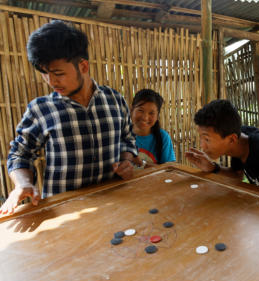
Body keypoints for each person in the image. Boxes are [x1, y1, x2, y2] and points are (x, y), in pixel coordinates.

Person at [1, 20, 137, 215]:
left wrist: (127, 161)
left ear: (83, 66)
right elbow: (19, 154)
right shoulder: (41, 109)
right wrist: (23, 184)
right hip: (63, 214)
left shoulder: (114, 100)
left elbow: (127, 139)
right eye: (44, 74)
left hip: (113, 206)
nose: (51, 81)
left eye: (58, 73)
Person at [130, 89, 176, 165]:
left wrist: (143, 164)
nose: (145, 117)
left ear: (157, 116)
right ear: (132, 110)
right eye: (140, 110)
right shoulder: (122, 135)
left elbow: (169, 169)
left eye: (151, 113)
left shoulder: (163, 137)